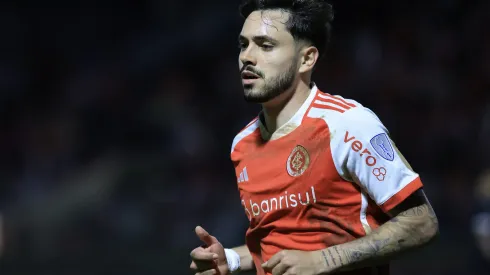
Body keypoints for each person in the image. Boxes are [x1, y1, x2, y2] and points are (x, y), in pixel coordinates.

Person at [189, 0, 439, 274]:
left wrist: (324, 260)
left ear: (306, 59)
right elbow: (275, 244)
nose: (247, 56)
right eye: (243, 44)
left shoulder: (347, 124)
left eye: (265, 45)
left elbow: (422, 222)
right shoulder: (242, 144)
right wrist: (231, 259)